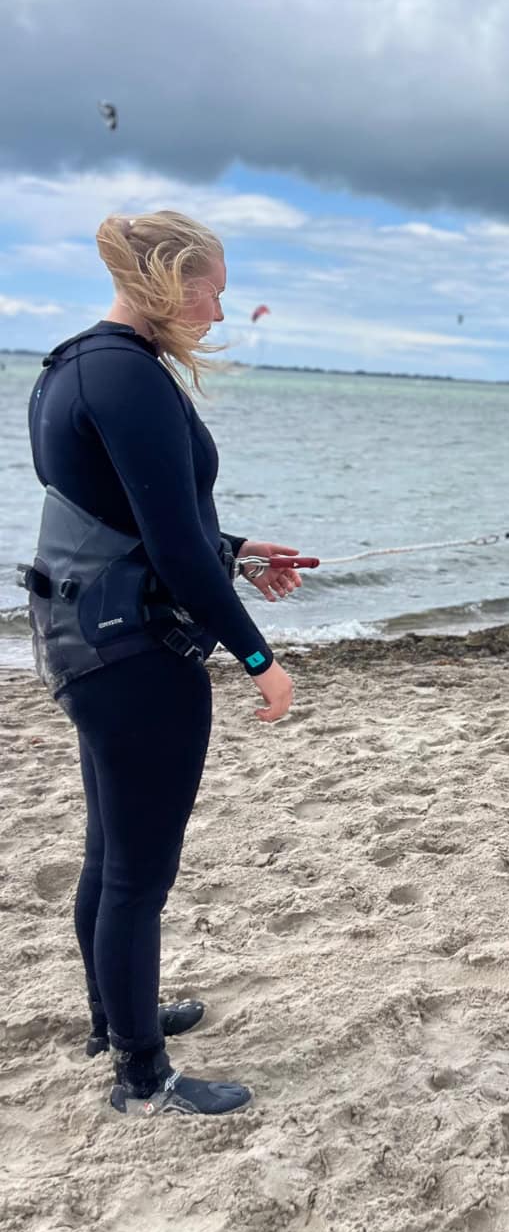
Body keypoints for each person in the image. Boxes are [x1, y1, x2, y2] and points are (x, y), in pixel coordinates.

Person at [23, 211, 300, 1117]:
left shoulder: (72, 366)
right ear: (172, 279)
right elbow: (173, 548)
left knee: (111, 854)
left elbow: (128, 516)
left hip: (83, 641)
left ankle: (117, 1020)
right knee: (138, 873)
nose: (218, 308)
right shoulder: (128, 377)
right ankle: (141, 1078)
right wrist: (258, 656)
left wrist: (241, 547)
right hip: (134, 655)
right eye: (212, 286)